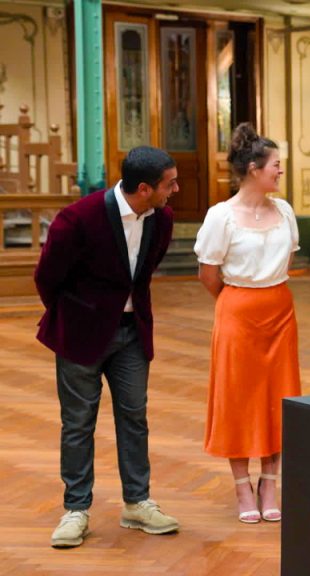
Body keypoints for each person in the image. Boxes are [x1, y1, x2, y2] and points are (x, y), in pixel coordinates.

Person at [36, 146, 181, 548]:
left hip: (132, 334)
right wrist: (78, 315)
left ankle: (137, 503)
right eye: (170, 184)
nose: (175, 190)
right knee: (78, 423)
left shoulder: (162, 219)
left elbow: (143, 274)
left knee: (135, 417)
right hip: (80, 335)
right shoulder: (77, 219)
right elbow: (47, 277)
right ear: (144, 188)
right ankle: (75, 510)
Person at [194, 123, 301, 524]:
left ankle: (269, 483)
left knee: (279, 395)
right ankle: (242, 486)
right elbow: (208, 274)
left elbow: (287, 261)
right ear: (255, 169)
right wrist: (236, 304)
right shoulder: (221, 217)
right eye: (276, 164)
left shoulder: (284, 212)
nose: (280, 170)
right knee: (237, 398)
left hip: (280, 312)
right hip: (237, 313)